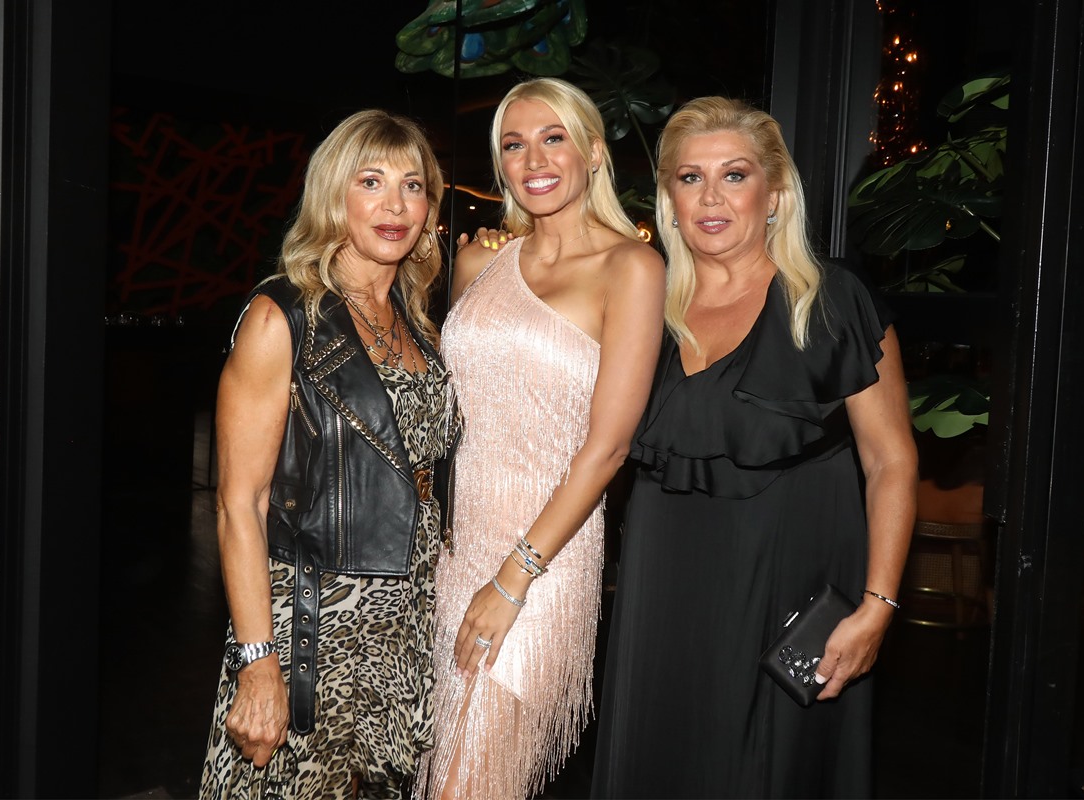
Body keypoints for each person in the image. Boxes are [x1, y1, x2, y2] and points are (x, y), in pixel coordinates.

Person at [589, 96, 918, 798]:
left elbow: (891, 460)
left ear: (773, 195)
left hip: (788, 586)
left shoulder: (831, 300)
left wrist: (878, 606)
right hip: (663, 587)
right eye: (690, 178)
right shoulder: (645, 311)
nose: (711, 197)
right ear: (670, 200)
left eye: (734, 175)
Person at [415, 77, 666, 800]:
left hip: (543, 560)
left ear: (593, 152)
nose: (533, 160)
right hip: (451, 553)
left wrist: (513, 578)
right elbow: (452, 406)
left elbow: (608, 447)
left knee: (469, 784)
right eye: (514, 144)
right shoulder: (479, 260)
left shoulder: (632, 268)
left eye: (554, 138)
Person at [199, 109, 457, 800]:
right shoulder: (282, 315)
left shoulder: (415, 320)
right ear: (332, 195)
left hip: (404, 617)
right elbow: (240, 503)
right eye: (370, 182)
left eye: (412, 186)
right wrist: (258, 661)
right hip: (314, 625)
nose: (394, 205)